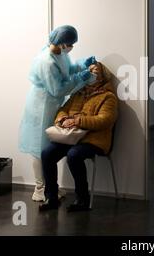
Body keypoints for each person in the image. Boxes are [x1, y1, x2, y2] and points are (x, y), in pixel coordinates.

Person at [19, 25, 97, 202]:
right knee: (38, 148)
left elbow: (68, 68)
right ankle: (40, 188)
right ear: (62, 43)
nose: (71, 48)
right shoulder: (46, 61)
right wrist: (83, 77)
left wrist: (82, 64)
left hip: (51, 104)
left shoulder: (59, 53)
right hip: (41, 106)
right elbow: (58, 89)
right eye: (70, 44)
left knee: (47, 146)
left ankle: (49, 188)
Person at [40, 62, 118, 212]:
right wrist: (63, 120)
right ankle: (52, 197)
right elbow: (63, 109)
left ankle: (82, 199)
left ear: (102, 77)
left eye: (95, 73)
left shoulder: (108, 97)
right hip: (72, 137)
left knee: (74, 155)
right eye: (90, 72)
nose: (91, 76)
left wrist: (77, 121)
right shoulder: (78, 93)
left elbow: (105, 120)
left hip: (94, 139)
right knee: (47, 153)